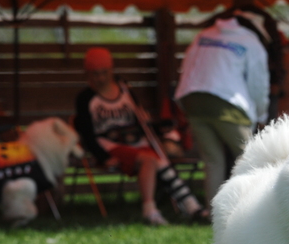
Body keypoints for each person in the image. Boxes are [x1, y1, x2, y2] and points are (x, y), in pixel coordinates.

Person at [74, 47, 207, 226]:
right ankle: (150, 210)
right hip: (111, 147)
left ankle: (192, 206)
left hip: (137, 142)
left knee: (161, 160)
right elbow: (87, 133)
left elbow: (141, 120)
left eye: (104, 72)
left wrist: (153, 124)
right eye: (95, 74)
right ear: (87, 73)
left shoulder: (125, 91)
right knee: (149, 160)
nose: (100, 78)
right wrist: (103, 157)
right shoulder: (86, 99)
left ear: (111, 70)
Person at [174, 18, 269, 209]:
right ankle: (254, 212)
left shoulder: (203, 35)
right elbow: (258, 83)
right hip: (227, 105)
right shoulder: (251, 41)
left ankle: (213, 214)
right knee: (250, 159)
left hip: (193, 101)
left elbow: (187, 67)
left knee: (212, 161)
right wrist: (261, 114)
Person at [202, 0, 283, 122]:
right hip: (232, 82)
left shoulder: (263, 19)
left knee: (264, 127)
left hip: (252, 77)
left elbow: (275, 50)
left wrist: (275, 80)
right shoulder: (225, 18)